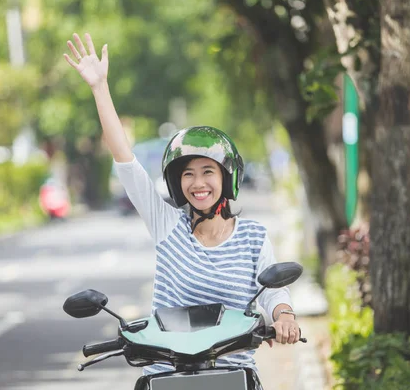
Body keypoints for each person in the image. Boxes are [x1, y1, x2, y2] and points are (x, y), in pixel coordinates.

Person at [64, 33, 300, 376]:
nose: (198, 183)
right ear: (177, 183)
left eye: (208, 171)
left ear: (227, 178)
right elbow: (127, 164)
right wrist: (100, 88)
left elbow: (274, 293)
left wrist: (284, 316)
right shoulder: (167, 224)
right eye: (187, 174)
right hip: (167, 375)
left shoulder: (253, 237)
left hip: (230, 374)